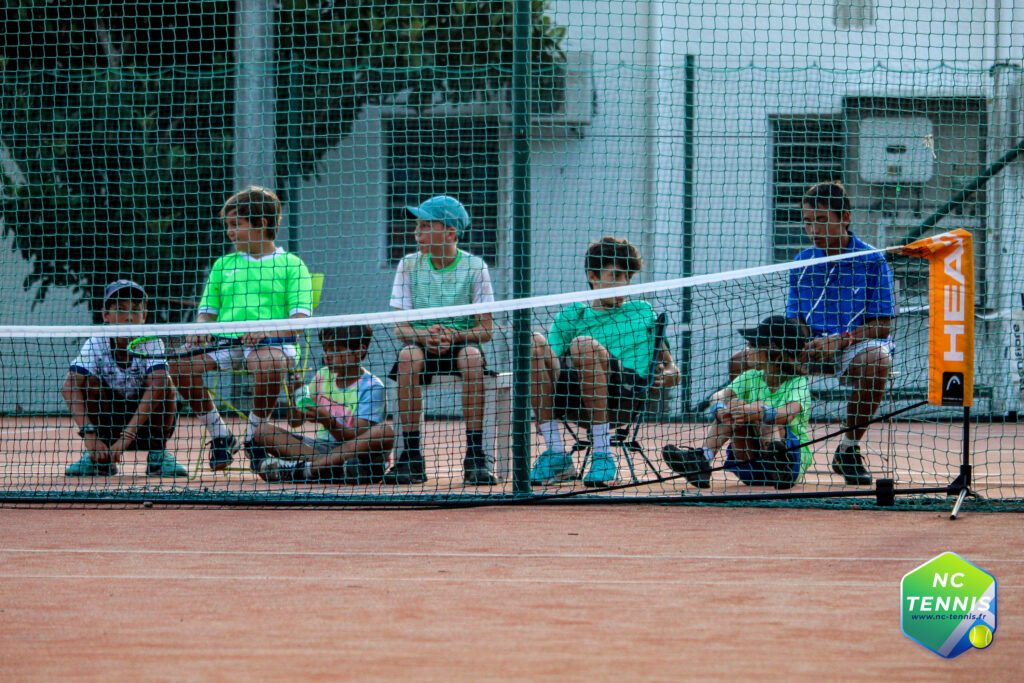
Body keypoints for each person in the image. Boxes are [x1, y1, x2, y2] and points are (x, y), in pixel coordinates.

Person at [728, 181, 895, 486]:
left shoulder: (873, 260)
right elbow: (796, 318)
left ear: (844, 218)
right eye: (807, 221)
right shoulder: (802, 263)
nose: (813, 228)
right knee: (740, 361)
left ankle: (848, 450)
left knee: (878, 361)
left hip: (853, 345)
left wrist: (840, 340)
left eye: (821, 220)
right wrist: (801, 342)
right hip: (808, 345)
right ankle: (763, 447)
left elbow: (883, 325)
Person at [167, 186, 314, 472]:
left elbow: (299, 322)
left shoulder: (293, 266)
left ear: (261, 224)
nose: (230, 232)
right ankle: (221, 436)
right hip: (226, 344)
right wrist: (198, 331)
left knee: (269, 362)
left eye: (237, 225)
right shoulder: (223, 265)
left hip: (274, 344)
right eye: (228, 226)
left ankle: (253, 438)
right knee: (179, 365)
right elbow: (207, 313)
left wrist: (267, 331)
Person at [529, 236, 680, 487]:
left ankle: (603, 454)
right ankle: (556, 453)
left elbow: (671, 367)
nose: (623, 284)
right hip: (574, 400)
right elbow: (548, 366)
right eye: (615, 275)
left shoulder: (642, 311)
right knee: (531, 341)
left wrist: (669, 375)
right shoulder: (572, 316)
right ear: (593, 276)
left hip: (625, 395)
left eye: (628, 278)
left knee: (583, 344)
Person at [385, 195, 497, 486]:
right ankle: (411, 458)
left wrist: (453, 335)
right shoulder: (408, 265)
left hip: (461, 341)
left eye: (424, 226)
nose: (416, 232)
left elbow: (485, 330)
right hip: (421, 341)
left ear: (450, 233)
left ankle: (475, 456)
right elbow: (401, 329)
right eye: (417, 226)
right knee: (409, 358)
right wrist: (426, 336)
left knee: (472, 358)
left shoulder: (476, 268)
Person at [663, 315, 811, 490]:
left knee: (763, 414)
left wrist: (760, 411)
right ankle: (701, 461)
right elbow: (717, 397)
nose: (747, 349)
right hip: (751, 467)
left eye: (753, 345)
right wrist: (721, 408)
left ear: (774, 350)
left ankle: (778, 463)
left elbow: (789, 413)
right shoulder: (750, 376)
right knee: (734, 405)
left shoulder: (796, 382)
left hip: (791, 462)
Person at [62, 280, 187, 477]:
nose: (129, 317)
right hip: (108, 426)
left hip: (144, 425)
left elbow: (158, 385)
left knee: (165, 382)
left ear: (144, 316)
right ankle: (100, 458)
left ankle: (157, 455)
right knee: (87, 382)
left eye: (136, 310)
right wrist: (90, 435)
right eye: (120, 309)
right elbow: (69, 386)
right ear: (106, 315)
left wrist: (126, 437)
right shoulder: (96, 341)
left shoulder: (152, 341)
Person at [247, 325, 395, 484]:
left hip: (359, 455)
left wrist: (327, 420)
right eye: (326, 349)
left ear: (359, 351)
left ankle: (309, 469)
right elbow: (295, 422)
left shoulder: (373, 387)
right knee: (262, 431)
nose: (327, 355)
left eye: (336, 350)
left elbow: (355, 439)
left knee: (385, 431)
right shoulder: (322, 376)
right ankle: (325, 469)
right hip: (322, 449)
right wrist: (296, 395)